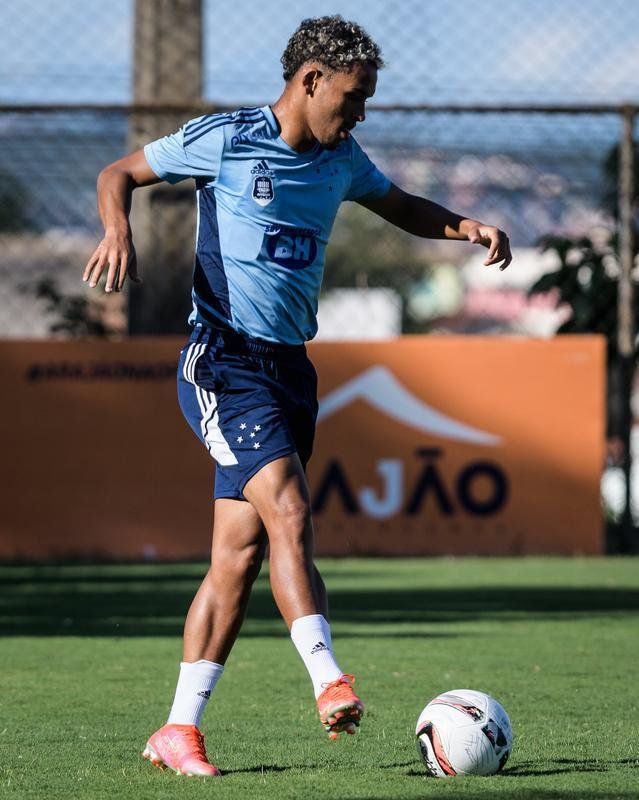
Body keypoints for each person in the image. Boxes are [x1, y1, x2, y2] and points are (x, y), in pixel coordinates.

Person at [83, 14, 512, 778]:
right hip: (222, 360)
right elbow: (118, 173)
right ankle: (327, 677)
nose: (359, 113)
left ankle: (177, 729)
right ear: (310, 80)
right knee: (287, 509)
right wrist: (118, 231)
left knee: (238, 555)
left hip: (289, 372)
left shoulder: (341, 159)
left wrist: (465, 226)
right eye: (352, 96)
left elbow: (399, 204)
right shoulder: (227, 139)